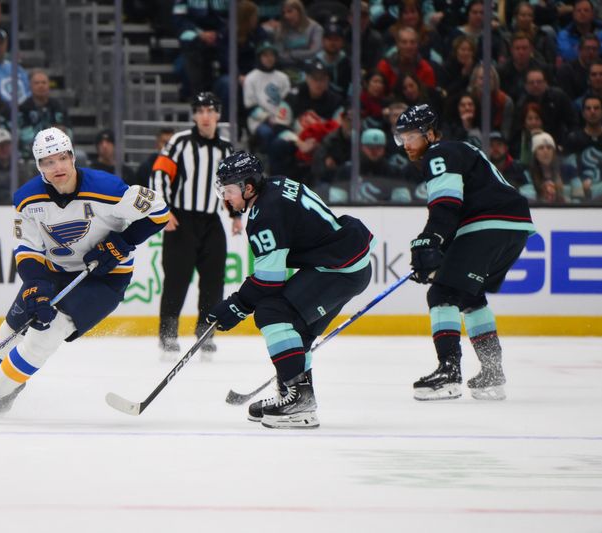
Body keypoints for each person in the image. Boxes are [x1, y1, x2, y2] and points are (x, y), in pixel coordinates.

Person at [0, 127, 170, 422]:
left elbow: (159, 211)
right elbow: (26, 247)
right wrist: (36, 285)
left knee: (46, 334)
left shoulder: (109, 189)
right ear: (39, 167)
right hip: (55, 272)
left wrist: (122, 242)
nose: (58, 167)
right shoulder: (26, 200)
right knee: (8, 332)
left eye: (62, 158)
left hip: (105, 278)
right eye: (48, 162)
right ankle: (7, 388)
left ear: (72, 157)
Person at [208, 151, 374, 429]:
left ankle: (300, 401)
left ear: (248, 187)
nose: (226, 198)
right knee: (297, 331)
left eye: (229, 190)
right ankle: (293, 395)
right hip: (344, 262)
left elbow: (268, 281)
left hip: (338, 269)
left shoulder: (265, 214)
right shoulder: (275, 185)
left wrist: (235, 306)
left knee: (272, 312)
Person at [396, 104, 535, 402]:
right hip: (515, 227)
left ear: (430, 134)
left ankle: (449, 373)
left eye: (411, 137)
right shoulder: (459, 150)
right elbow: (458, 210)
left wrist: (429, 240)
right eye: (401, 138)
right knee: (470, 296)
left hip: (488, 225)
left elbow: (447, 206)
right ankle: (492, 372)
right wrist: (437, 246)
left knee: (441, 294)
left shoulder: (438, 154)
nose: (406, 145)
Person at [150, 92, 240, 361]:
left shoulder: (226, 149)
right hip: (181, 220)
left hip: (212, 221)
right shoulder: (179, 142)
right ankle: (168, 334)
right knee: (176, 279)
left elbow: (232, 184)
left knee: (214, 281)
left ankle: (206, 332)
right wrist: (163, 210)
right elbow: (159, 173)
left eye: (210, 110)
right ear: (194, 116)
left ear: (218, 115)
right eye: (200, 110)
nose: (205, 116)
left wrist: (236, 215)